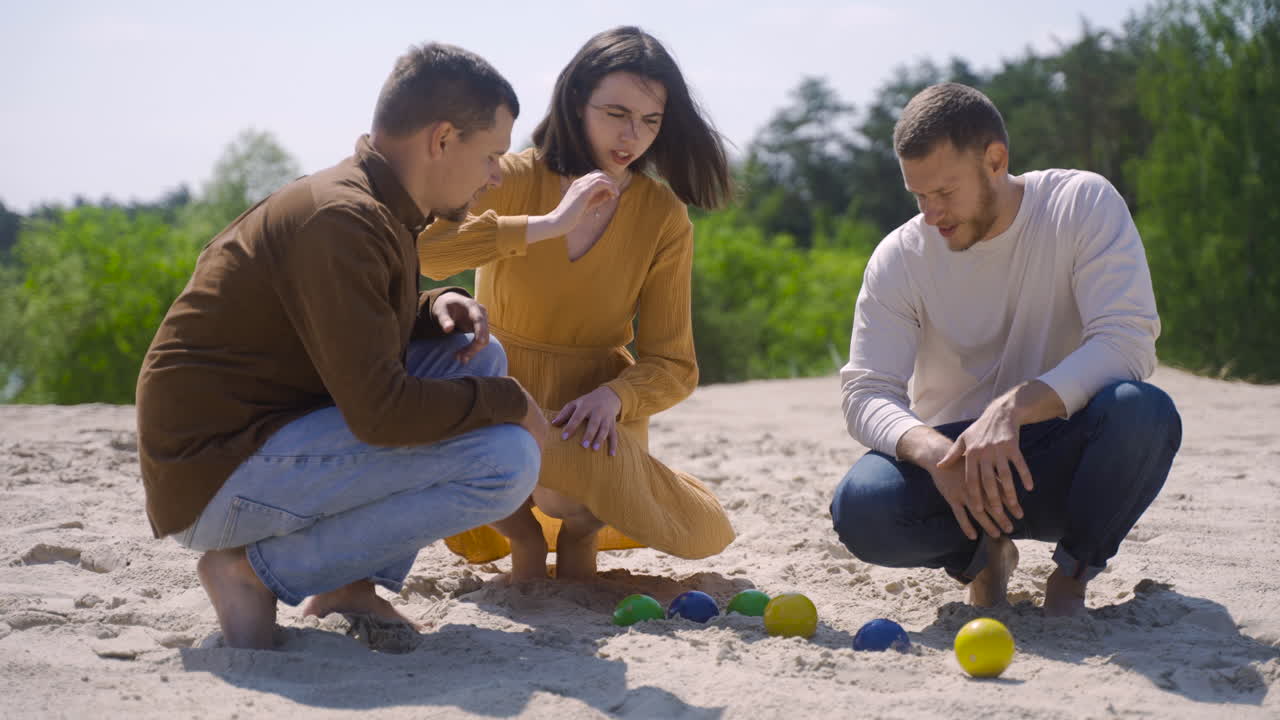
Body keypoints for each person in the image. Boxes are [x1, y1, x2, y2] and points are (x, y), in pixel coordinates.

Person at [136, 43, 549, 649]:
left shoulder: (377, 205)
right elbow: (381, 412)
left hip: (267, 436)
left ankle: (346, 586)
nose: (494, 176)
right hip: (212, 472)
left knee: (476, 353)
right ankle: (247, 572)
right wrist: (511, 401)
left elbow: (343, 331)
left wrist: (434, 310)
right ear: (441, 140)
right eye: (491, 156)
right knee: (504, 462)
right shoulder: (341, 220)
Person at [829, 83, 1182, 617]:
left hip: (1066, 452)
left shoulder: (1080, 203)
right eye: (918, 196)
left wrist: (1013, 409)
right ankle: (984, 559)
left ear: (995, 160)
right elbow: (866, 392)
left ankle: (1072, 576)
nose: (930, 213)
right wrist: (930, 452)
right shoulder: (898, 258)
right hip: (956, 472)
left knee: (1145, 413)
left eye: (944, 193)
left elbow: (1126, 340)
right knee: (860, 504)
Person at [418, 26, 735, 582]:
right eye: (616, 113)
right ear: (575, 102)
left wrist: (616, 397)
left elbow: (675, 365)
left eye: (651, 121)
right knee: (506, 457)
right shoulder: (511, 174)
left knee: (702, 530)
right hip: (497, 387)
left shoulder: (663, 215)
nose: (632, 136)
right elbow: (426, 254)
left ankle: (582, 532)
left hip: (592, 411)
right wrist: (546, 225)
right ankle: (521, 535)